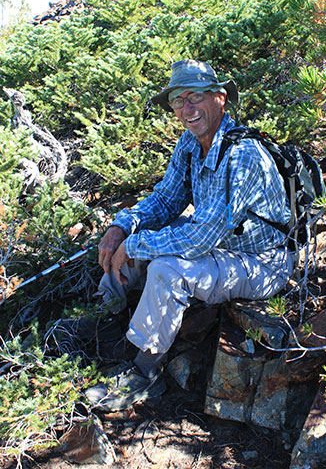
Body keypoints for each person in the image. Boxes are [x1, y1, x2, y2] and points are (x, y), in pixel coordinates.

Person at [83, 59, 294, 411]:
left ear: (220, 98)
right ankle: (103, 319)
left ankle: (144, 373)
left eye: (195, 96)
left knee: (167, 269)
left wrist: (136, 244)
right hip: (220, 244)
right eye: (179, 101)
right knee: (137, 240)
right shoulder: (190, 143)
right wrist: (122, 227)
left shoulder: (244, 155)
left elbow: (202, 237)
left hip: (262, 261)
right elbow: (167, 199)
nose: (187, 109)